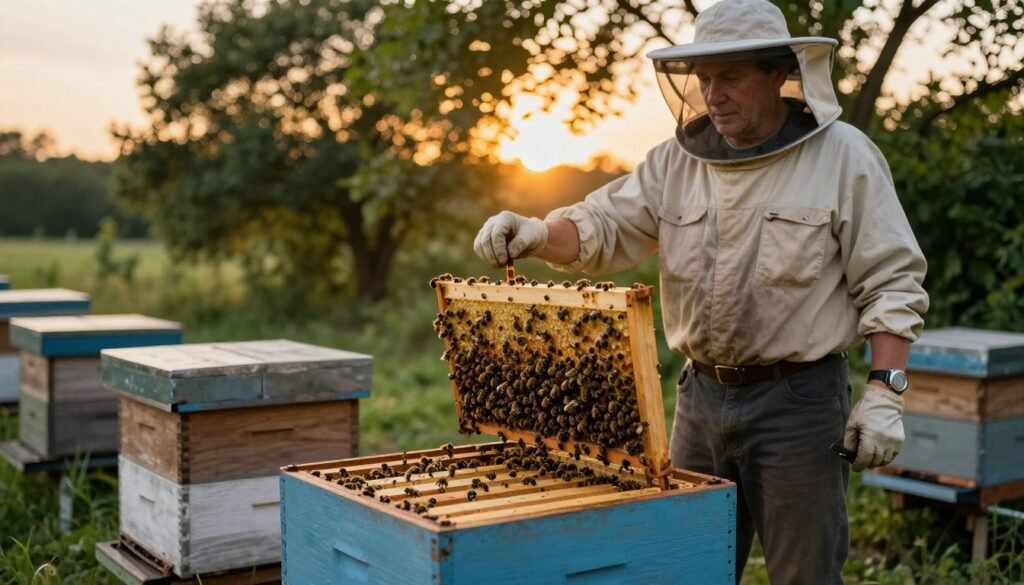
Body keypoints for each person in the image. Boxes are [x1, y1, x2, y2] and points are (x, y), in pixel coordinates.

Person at [473, 0, 929, 582]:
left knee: (803, 574)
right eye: (704, 79)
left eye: (732, 77)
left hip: (800, 404)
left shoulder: (844, 157)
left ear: (778, 74)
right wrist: (538, 232)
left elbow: (891, 281)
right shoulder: (674, 163)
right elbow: (601, 226)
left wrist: (886, 391)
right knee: (686, 568)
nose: (713, 95)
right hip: (699, 400)